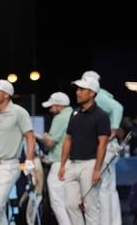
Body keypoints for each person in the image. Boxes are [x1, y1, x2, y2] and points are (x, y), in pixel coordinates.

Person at [0, 79, 36, 225]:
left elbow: (30, 137)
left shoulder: (19, 113)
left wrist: (29, 159)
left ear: (6, 95)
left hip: (8, 166)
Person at [58, 76, 110, 225]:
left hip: (90, 164)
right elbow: (68, 139)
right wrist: (62, 165)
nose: (78, 92)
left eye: (82, 89)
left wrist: (97, 169)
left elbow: (103, 144)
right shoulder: (75, 114)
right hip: (72, 164)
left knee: (91, 207)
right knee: (70, 205)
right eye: (78, 89)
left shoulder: (101, 116)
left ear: (92, 93)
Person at [82, 70, 124, 225]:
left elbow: (118, 108)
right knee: (108, 189)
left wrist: (114, 128)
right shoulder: (102, 95)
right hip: (109, 148)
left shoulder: (99, 96)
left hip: (107, 148)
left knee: (103, 189)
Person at [37, 92, 73, 225]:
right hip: (74, 162)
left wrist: (41, 137)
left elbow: (50, 142)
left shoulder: (60, 117)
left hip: (59, 163)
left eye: (52, 106)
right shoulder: (74, 114)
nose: (51, 110)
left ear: (59, 106)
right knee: (70, 201)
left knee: (57, 201)